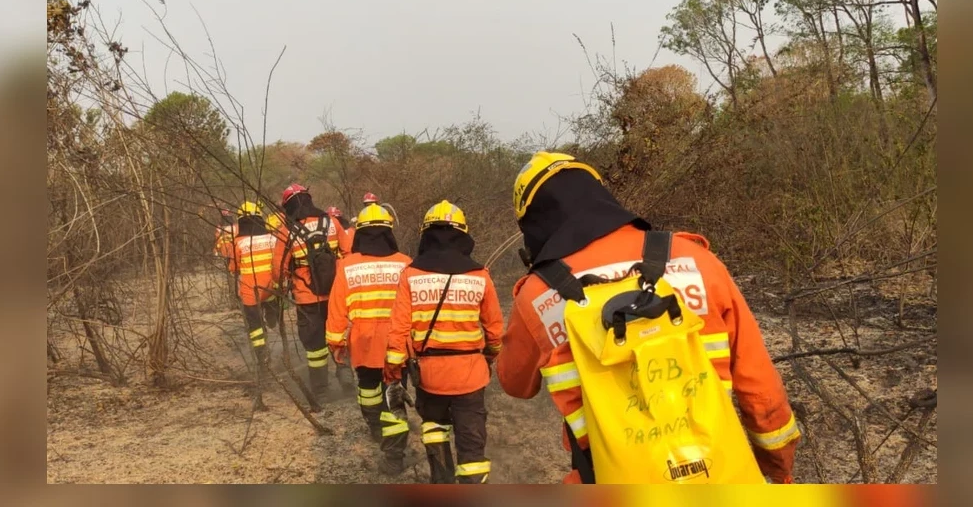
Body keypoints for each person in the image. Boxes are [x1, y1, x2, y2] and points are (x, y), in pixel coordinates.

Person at [496, 151, 801, 484]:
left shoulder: (536, 296)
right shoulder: (696, 261)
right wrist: (778, 467)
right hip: (722, 474)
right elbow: (759, 386)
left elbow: (516, 384)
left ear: (533, 222)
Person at [384, 200, 503, 484]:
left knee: (434, 429)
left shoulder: (411, 275)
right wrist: (488, 357)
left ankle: (441, 481)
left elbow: (398, 330)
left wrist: (393, 372)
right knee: (471, 443)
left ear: (426, 235)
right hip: (470, 375)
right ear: (463, 235)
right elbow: (495, 331)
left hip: (430, 376)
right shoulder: (479, 275)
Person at [325, 204, 412, 475]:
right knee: (394, 396)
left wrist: (336, 344)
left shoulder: (347, 265)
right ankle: (395, 454)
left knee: (368, 390)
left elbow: (337, 309)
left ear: (360, 233)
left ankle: (376, 428)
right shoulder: (406, 263)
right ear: (389, 232)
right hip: (397, 345)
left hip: (363, 344)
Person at [274, 183, 352, 399]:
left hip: (307, 298)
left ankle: (321, 390)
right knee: (338, 334)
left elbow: (277, 269)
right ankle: (344, 371)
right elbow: (349, 254)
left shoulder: (286, 231)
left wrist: (283, 285)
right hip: (336, 294)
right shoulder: (332, 222)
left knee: (315, 345)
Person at [222, 201, 282, 369]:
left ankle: (262, 356)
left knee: (255, 326)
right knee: (271, 301)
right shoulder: (272, 238)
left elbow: (233, 268)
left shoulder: (238, 242)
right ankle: (272, 314)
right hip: (271, 287)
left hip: (250, 292)